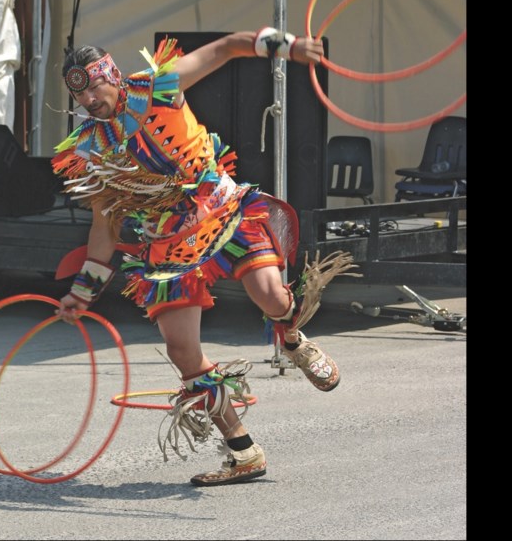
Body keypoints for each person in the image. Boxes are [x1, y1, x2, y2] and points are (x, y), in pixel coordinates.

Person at [52, 28, 354, 486]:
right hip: (167, 243)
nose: (90, 99)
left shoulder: (158, 85)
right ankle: (243, 451)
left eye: (95, 85)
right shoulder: (91, 148)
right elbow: (105, 225)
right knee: (182, 350)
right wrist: (82, 292)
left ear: (111, 74)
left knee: (272, 295)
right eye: (80, 93)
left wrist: (287, 47)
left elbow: (226, 47)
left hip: (222, 209)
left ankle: (293, 340)